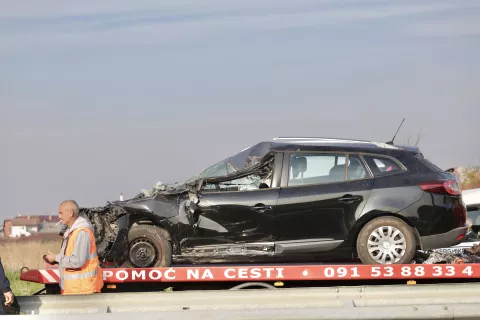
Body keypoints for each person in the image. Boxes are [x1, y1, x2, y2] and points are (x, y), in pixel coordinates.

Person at [43, 200, 104, 295]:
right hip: (76, 290)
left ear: (71, 213)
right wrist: (57, 259)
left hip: (83, 291)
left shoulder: (81, 233)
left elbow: (78, 261)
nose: (59, 217)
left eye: (61, 213)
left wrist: (56, 258)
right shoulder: (72, 233)